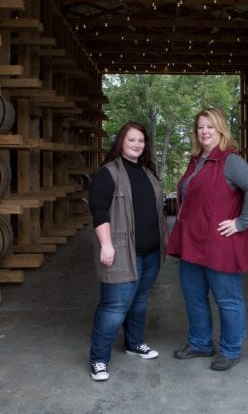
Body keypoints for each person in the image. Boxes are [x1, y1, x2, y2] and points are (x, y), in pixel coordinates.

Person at [167, 107, 248, 371]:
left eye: (210, 126)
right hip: (192, 242)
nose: (204, 131)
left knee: (227, 299)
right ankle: (200, 343)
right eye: (200, 127)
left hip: (219, 244)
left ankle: (230, 350)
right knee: (193, 295)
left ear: (221, 129)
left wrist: (241, 222)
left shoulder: (230, 161)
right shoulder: (197, 159)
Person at [87, 122, 168, 381]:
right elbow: (98, 211)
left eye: (141, 141)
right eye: (132, 139)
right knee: (114, 306)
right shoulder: (107, 173)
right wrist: (106, 244)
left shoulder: (147, 172)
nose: (137, 144)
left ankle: (134, 343)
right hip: (122, 251)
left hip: (151, 252)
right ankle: (98, 359)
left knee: (140, 301)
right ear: (121, 142)